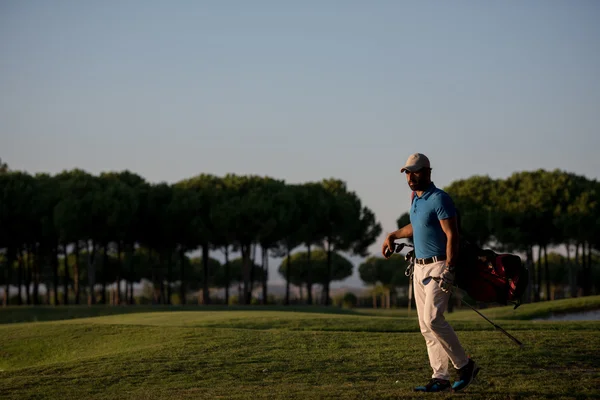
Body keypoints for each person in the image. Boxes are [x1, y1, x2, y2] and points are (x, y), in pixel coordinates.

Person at [382, 152, 480, 393]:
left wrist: (450, 268)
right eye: (407, 172)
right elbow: (415, 227)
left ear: (427, 171)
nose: (411, 176)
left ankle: (465, 366)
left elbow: (452, 235)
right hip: (419, 266)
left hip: (439, 265)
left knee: (433, 319)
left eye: (415, 171)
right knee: (426, 327)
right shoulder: (416, 199)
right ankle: (440, 377)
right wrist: (393, 235)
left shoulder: (440, 199)